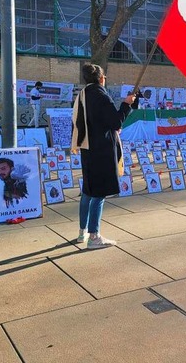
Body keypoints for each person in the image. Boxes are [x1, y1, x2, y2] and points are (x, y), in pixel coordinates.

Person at [71, 64, 138, 249]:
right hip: (101, 149)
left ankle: (82, 232)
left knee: (88, 191)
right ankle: (94, 236)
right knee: (98, 194)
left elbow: (99, 121)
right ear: (101, 78)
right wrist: (126, 104)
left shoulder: (83, 94)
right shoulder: (101, 94)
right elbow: (116, 121)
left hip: (87, 148)